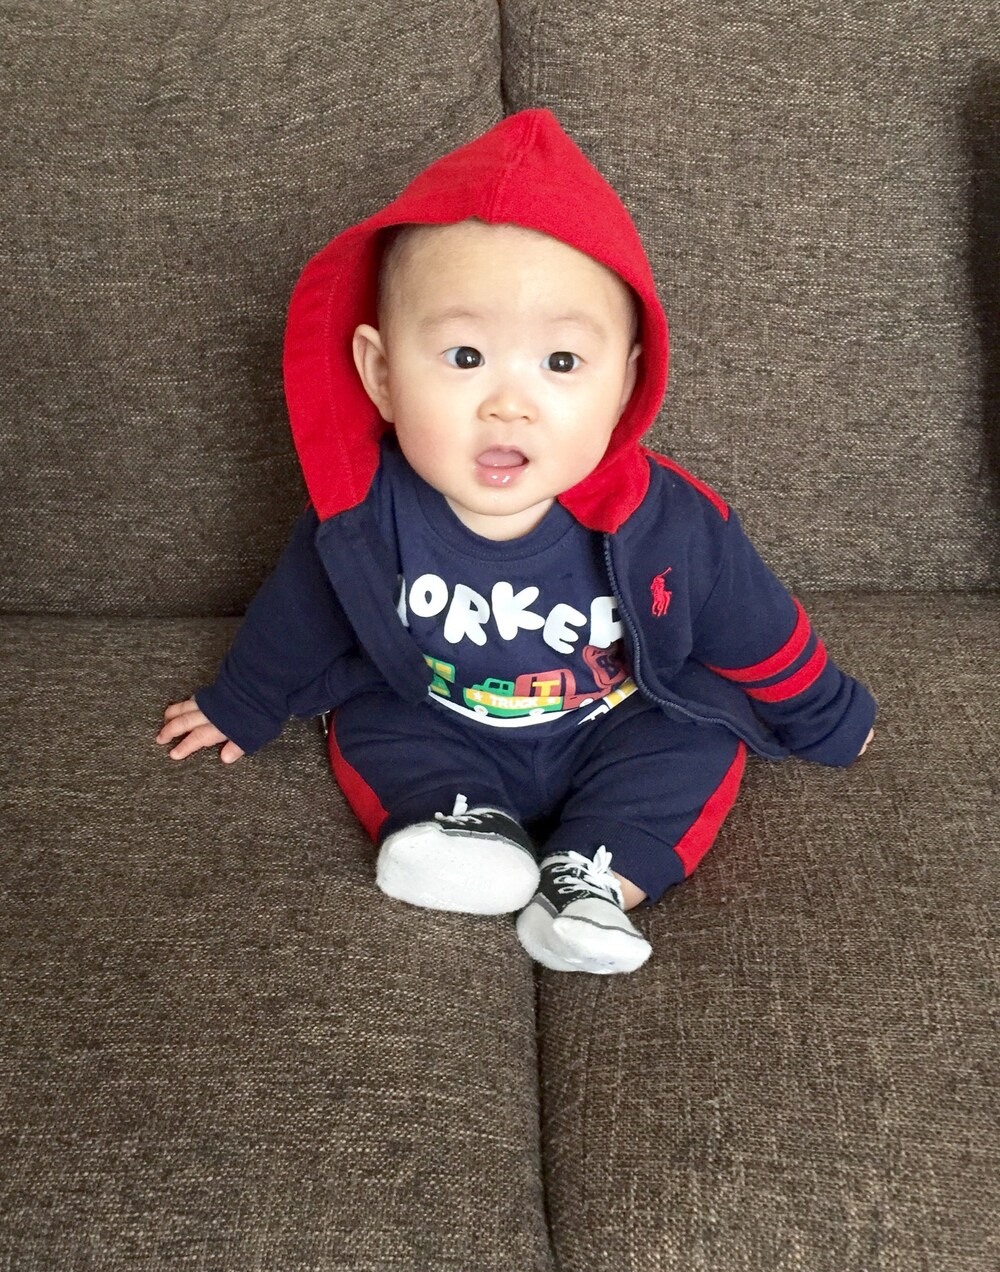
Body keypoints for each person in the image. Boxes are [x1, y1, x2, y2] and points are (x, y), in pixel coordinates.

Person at [155, 109, 876, 975]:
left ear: (626, 385)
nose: (509, 404)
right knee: (372, 723)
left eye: (561, 364)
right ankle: (460, 830)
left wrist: (826, 713)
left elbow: (755, 624)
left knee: (695, 742)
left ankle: (592, 884)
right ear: (381, 375)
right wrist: (241, 700)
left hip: (614, 717)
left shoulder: (669, 522)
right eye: (465, 357)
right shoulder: (362, 517)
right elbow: (297, 618)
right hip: (439, 713)